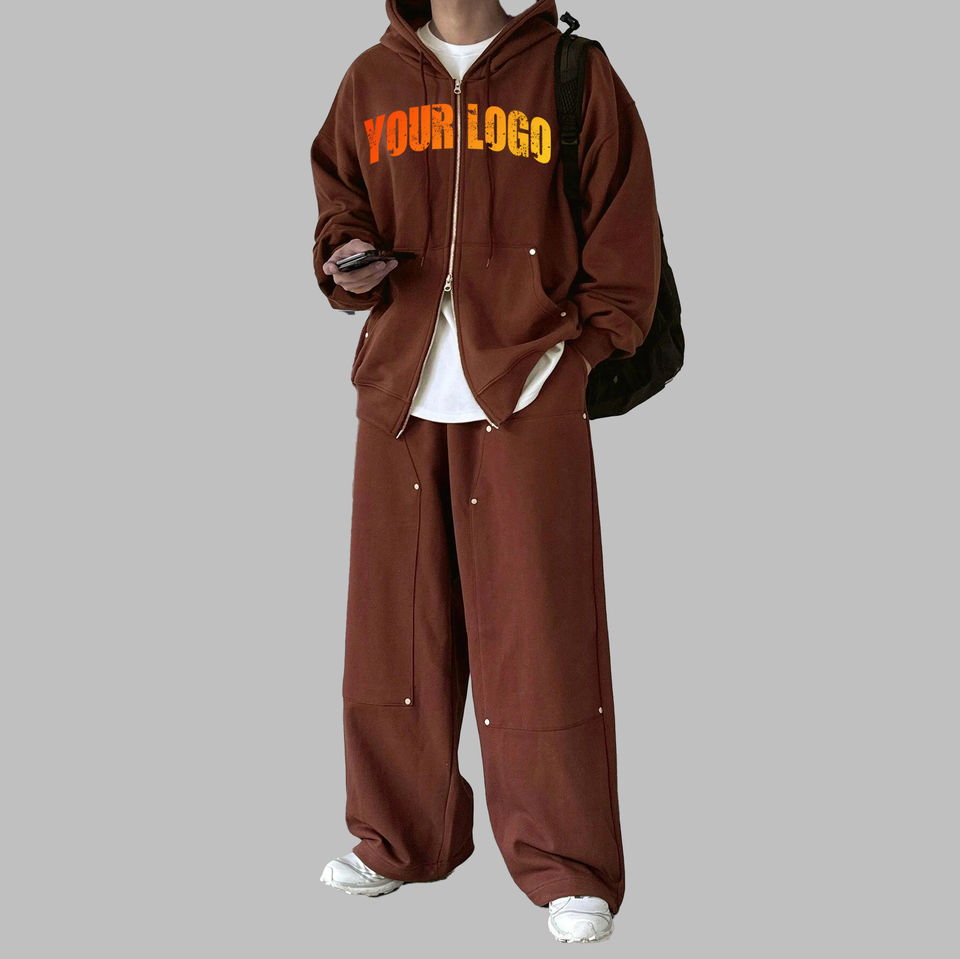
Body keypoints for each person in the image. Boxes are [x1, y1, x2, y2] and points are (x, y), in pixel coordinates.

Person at [309, 0, 661, 943]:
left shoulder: (573, 75)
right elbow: (338, 200)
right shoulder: (371, 80)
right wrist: (345, 257)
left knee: (541, 634)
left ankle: (568, 863)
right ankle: (400, 838)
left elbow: (627, 240)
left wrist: (577, 359)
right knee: (392, 631)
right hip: (399, 392)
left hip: (528, 387)